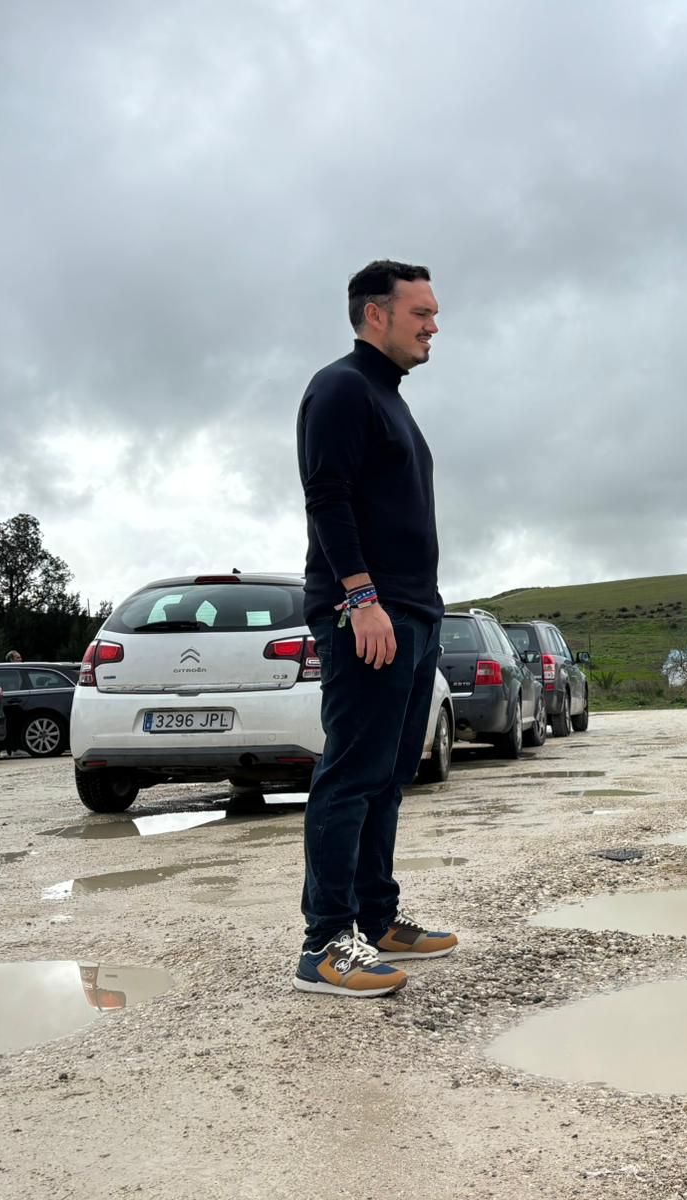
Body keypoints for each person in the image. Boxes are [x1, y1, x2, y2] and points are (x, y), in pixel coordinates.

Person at [292, 260, 458, 998]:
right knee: (352, 776)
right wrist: (361, 597)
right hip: (368, 614)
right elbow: (326, 495)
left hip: (412, 612)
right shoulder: (341, 388)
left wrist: (420, 604)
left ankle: (375, 919)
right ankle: (325, 944)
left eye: (434, 312)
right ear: (374, 315)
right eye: (419, 311)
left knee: (389, 778)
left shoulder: (389, 399)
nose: (432, 325)